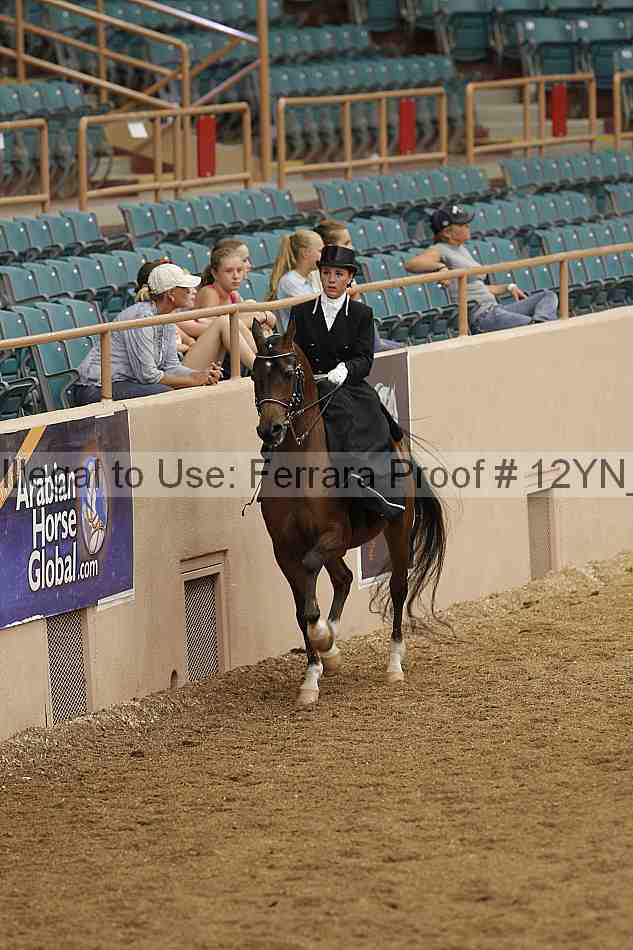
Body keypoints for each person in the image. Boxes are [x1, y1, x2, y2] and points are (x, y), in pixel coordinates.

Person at [287, 245, 405, 523]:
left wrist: (345, 369)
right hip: (311, 386)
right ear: (319, 274)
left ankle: (368, 482)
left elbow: (365, 359)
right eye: (326, 273)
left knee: (369, 419)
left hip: (346, 386)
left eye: (338, 274)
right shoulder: (301, 312)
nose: (331, 280)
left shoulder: (362, 313)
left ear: (349, 278)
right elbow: (294, 352)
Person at [71, 261, 250, 404]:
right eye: (186, 288)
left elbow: (171, 366)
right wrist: (193, 379)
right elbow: (148, 376)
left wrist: (199, 374)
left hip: (123, 382)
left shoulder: (167, 317)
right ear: (170, 294)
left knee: (179, 389)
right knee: (165, 392)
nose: (193, 291)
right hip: (95, 387)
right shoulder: (141, 318)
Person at [405, 204, 558, 333]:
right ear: (447, 232)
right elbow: (412, 264)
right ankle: (543, 329)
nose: (468, 227)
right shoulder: (440, 249)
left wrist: (508, 287)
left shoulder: (461, 249)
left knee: (547, 295)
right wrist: (441, 268)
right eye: (462, 225)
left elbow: (478, 287)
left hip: (496, 309)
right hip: (482, 316)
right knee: (534, 328)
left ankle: (543, 326)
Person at [268, 229, 324, 333]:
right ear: (305, 253)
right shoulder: (289, 281)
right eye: (320, 251)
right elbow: (314, 312)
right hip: (298, 338)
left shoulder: (313, 275)